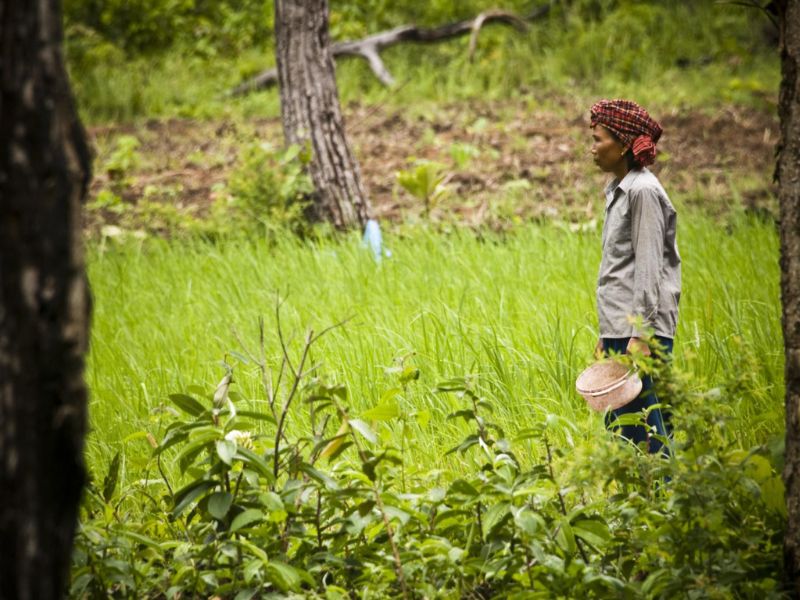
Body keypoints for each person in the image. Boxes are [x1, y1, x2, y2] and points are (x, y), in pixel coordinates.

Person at [589, 99, 681, 455]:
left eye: (599, 139)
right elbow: (619, 270)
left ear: (625, 144)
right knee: (623, 432)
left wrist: (640, 335)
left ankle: (663, 504)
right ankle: (640, 505)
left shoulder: (642, 192)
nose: (592, 148)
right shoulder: (618, 191)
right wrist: (606, 334)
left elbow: (647, 270)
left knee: (648, 433)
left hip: (638, 335)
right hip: (621, 330)